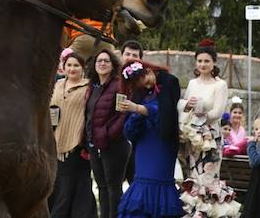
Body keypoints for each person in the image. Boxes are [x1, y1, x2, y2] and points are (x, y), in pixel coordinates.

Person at [177, 39, 239, 217]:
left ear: (214, 63)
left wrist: (199, 109)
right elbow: (185, 108)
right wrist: (187, 105)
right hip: (193, 138)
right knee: (193, 179)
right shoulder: (192, 83)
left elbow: (217, 113)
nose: (203, 64)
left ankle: (208, 214)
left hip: (211, 139)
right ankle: (194, 213)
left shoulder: (220, 85)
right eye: (200, 61)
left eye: (207, 61)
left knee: (208, 180)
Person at [116, 60, 184, 218]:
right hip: (144, 144)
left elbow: (167, 112)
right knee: (141, 183)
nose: (145, 86)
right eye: (139, 84)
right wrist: (134, 114)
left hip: (162, 142)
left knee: (159, 183)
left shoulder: (170, 82)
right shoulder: (139, 91)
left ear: (148, 70)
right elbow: (129, 128)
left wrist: (138, 108)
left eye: (144, 81)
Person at [48, 52, 96, 218]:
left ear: (83, 68)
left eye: (76, 65)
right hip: (54, 142)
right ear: (63, 67)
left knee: (73, 186)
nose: (72, 68)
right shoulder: (57, 84)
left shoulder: (89, 87)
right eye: (69, 65)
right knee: (58, 185)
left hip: (77, 144)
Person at [84, 49, 128, 218]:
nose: (102, 64)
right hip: (94, 144)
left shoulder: (119, 85)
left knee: (113, 186)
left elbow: (123, 114)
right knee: (101, 186)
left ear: (113, 65)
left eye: (106, 61)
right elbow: (88, 115)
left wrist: (109, 134)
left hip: (114, 144)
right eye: (99, 61)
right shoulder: (93, 87)